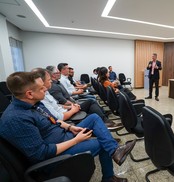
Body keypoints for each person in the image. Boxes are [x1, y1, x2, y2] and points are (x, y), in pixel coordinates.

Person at [0, 71, 136, 182]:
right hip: (54, 154)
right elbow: (41, 153)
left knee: (94, 118)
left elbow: (53, 120)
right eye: (42, 88)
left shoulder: (34, 104)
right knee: (102, 144)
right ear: (29, 94)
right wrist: (76, 140)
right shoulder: (16, 119)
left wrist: (70, 128)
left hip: (63, 135)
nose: (46, 90)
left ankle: (115, 151)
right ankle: (108, 177)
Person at [46, 66, 122, 130]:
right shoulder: (54, 86)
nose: (59, 73)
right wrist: (73, 105)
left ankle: (104, 118)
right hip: (71, 105)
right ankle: (105, 120)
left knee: (91, 101)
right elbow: (64, 102)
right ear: (52, 75)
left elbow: (59, 103)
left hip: (70, 105)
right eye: (57, 72)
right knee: (91, 100)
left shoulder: (58, 83)